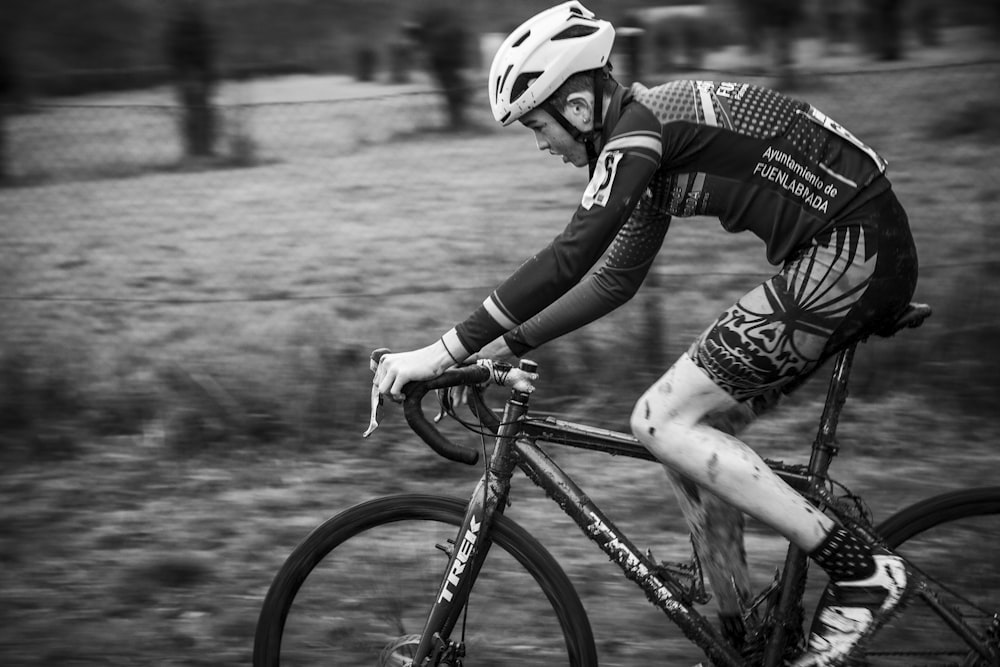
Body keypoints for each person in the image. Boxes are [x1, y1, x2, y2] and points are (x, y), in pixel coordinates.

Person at [373, 2, 918, 664]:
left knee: (659, 417)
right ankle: (743, 632)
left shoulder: (642, 130)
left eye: (538, 125)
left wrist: (440, 350)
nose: (542, 144)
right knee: (688, 442)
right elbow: (612, 282)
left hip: (853, 250)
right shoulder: (647, 147)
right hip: (856, 248)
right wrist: (493, 352)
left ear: (577, 105)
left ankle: (861, 570)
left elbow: (570, 257)